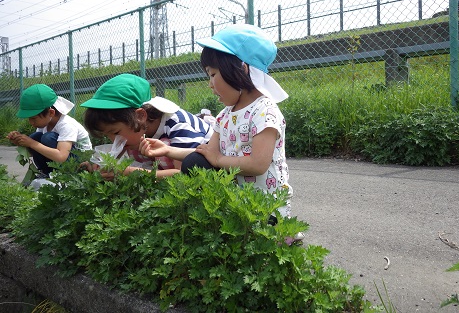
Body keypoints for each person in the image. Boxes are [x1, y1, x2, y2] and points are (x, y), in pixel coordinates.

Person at [139, 24, 297, 228]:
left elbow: (259, 164)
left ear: (242, 69)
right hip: (236, 199)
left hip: (266, 205)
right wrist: (168, 150)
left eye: (213, 74)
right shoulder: (225, 115)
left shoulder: (264, 111)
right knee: (195, 161)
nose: (210, 84)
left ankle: (282, 234)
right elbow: (207, 154)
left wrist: (219, 159)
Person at [80, 73, 213, 179]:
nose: (113, 140)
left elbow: (183, 174)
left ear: (140, 116)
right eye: (107, 135)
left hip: (210, 170)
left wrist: (129, 173)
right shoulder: (139, 130)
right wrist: (101, 169)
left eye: (115, 132)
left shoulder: (178, 126)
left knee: (158, 147)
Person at [7, 84, 92, 178]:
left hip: (80, 162)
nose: (31, 122)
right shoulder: (45, 124)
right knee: (36, 137)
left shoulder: (67, 125)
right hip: (65, 157)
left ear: (51, 112)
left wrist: (31, 143)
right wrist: (20, 141)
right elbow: (37, 151)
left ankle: (64, 175)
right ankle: (46, 173)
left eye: (33, 118)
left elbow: (61, 156)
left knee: (46, 138)